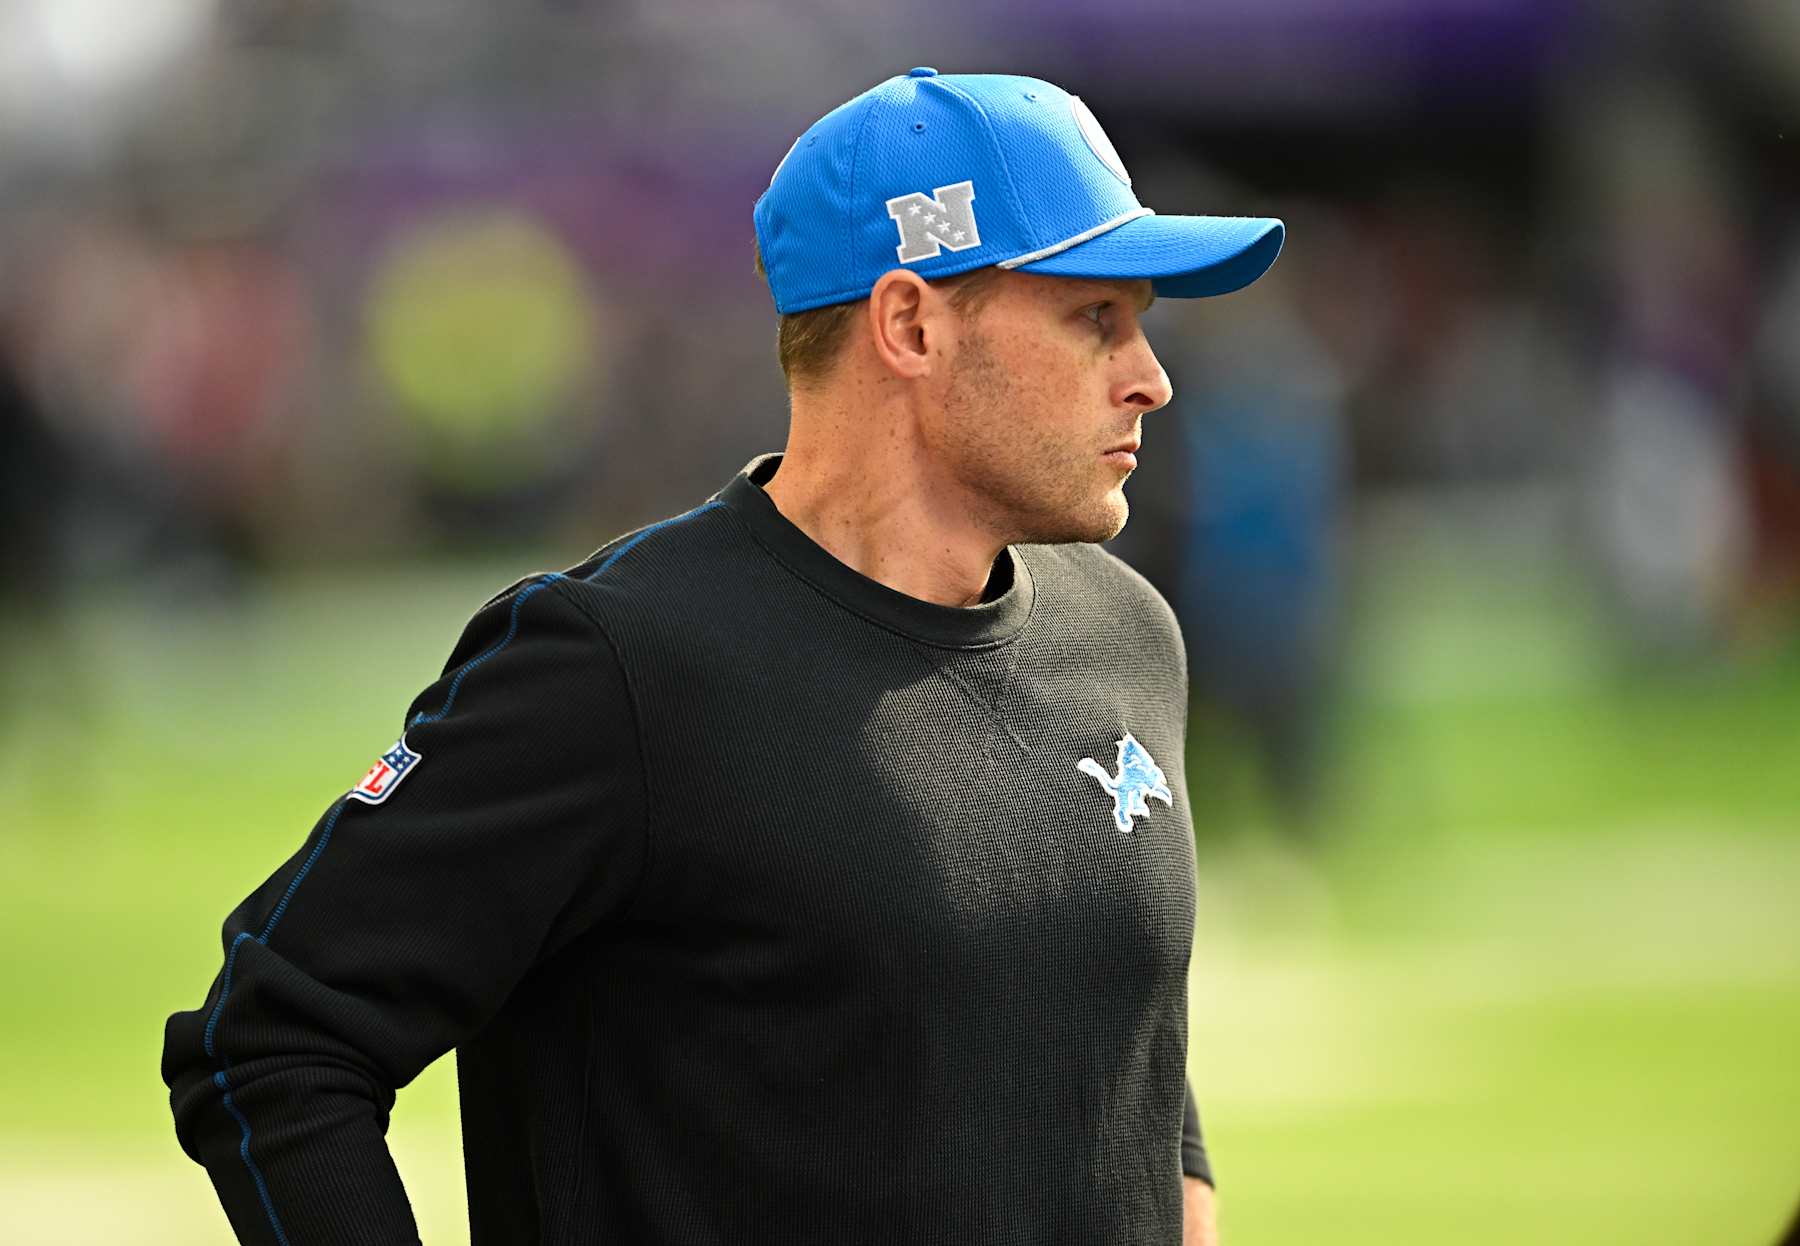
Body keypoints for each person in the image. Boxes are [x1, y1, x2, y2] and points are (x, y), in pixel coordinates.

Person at [162, 67, 1283, 1245]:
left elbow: (1124, 1068)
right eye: (1094, 317)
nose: (1150, 376)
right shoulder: (619, 665)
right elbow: (273, 1042)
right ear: (910, 325)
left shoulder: (1127, 634)